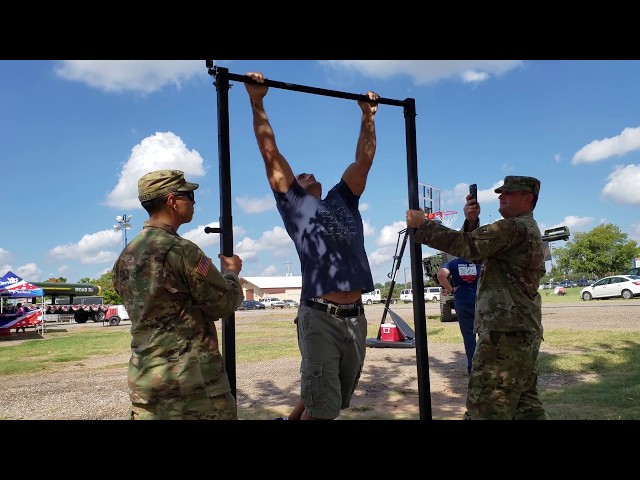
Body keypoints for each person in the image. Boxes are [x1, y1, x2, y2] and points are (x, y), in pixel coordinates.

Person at [244, 71, 379, 420]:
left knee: (328, 396)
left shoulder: (342, 198)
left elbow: (363, 161)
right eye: (298, 175)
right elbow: (270, 153)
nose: (305, 173)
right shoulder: (295, 207)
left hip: (356, 317)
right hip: (320, 315)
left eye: (308, 172)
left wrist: (367, 117)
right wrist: (257, 101)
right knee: (324, 408)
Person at [406, 176, 549, 420]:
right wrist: (471, 222)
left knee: (485, 408)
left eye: (509, 193)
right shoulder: (527, 230)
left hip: (504, 333)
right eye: (501, 192)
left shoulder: (513, 227)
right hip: (521, 330)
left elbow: (466, 245)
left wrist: (424, 225)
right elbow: (479, 254)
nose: (501, 196)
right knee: (526, 408)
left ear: (528, 198)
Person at [112, 169, 244, 420]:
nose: (193, 202)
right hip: (193, 388)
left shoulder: (126, 256)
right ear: (172, 201)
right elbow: (223, 305)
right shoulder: (182, 251)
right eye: (189, 196)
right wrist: (231, 274)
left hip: (146, 385)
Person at [437, 256, 481, 375]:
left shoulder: (454, 264)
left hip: (463, 302)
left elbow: (441, 274)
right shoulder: (480, 262)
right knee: (485, 335)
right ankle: (485, 368)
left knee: (468, 336)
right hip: (480, 302)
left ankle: (472, 368)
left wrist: (451, 290)